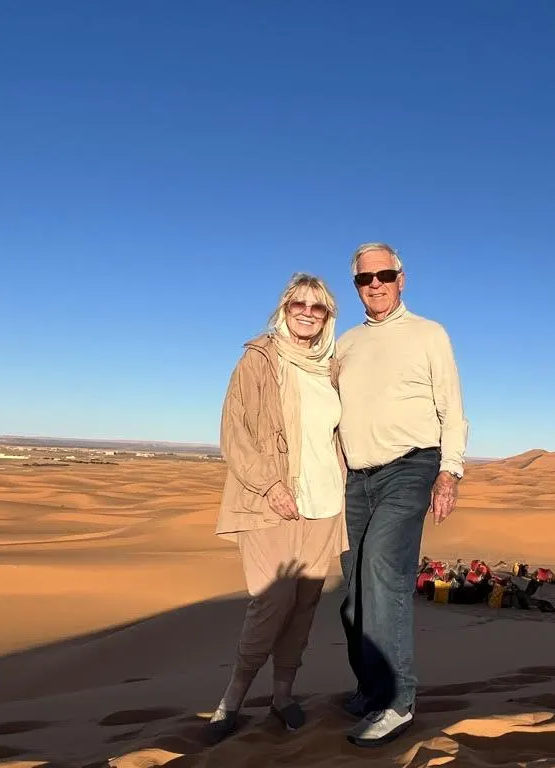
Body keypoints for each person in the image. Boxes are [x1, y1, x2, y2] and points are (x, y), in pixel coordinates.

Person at [336, 242, 469, 746]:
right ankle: (370, 688)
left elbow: (452, 408)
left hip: (412, 466)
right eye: (364, 279)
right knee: (351, 592)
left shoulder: (428, 334)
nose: (375, 285)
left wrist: (449, 472)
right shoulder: (344, 344)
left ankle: (397, 701)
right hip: (354, 479)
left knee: (381, 574)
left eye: (384, 275)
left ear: (401, 278)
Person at [206, 273, 348, 741]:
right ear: (284, 309)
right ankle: (231, 700)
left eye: (318, 307)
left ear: (328, 316)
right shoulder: (258, 360)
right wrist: (269, 486)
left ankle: (283, 695)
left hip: (326, 503)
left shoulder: (333, 368)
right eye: (298, 305)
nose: (307, 312)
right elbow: (234, 432)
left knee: (305, 604)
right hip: (274, 503)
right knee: (271, 602)